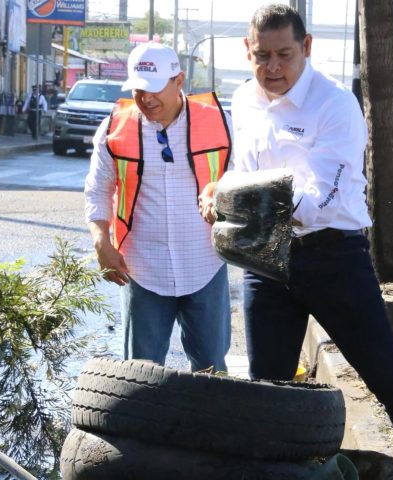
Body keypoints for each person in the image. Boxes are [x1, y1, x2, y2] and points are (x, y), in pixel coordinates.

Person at [199, 5, 393, 479]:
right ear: (246, 51)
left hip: (333, 257)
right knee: (269, 394)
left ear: (307, 47)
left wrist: (240, 196)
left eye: (284, 55)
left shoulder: (335, 104)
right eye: (262, 56)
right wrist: (220, 193)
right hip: (266, 261)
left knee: (388, 380)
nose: (272, 68)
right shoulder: (243, 98)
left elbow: (319, 201)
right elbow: (244, 170)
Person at [85, 42, 233, 372]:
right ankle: (144, 426)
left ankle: (207, 424)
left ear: (179, 81)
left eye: (154, 89)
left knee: (212, 370)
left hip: (204, 264)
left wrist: (218, 190)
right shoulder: (114, 128)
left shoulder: (219, 122)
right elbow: (97, 190)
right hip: (142, 269)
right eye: (138, 90)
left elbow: (241, 177)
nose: (146, 99)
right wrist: (101, 242)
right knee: (141, 373)